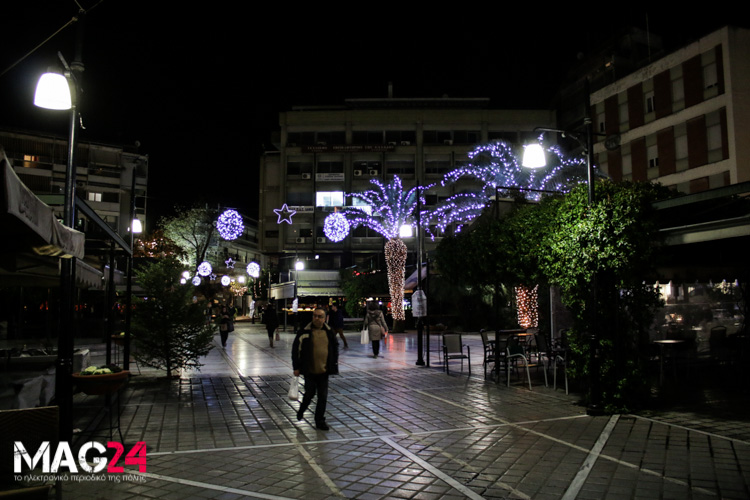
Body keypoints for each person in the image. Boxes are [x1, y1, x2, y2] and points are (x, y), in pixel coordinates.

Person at [292, 307, 339, 430]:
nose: (317, 319)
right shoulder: (305, 332)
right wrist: (296, 367)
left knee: (322, 397)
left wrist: (333, 363)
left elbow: (335, 348)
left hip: (324, 371)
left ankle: (319, 421)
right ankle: (301, 410)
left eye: (320, 316)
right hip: (309, 370)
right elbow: (296, 350)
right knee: (309, 394)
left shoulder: (329, 332)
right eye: (315, 316)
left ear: (325, 319)